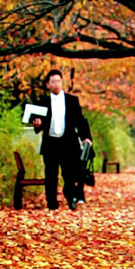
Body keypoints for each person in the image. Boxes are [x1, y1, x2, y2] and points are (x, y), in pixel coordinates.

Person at [31, 69, 92, 211]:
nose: (56, 84)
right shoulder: (42, 102)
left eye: (58, 81)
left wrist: (86, 138)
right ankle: (52, 203)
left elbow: (80, 121)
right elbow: (36, 121)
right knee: (51, 175)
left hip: (68, 143)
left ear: (62, 82)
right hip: (50, 143)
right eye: (53, 82)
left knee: (69, 174)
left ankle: (71, 198)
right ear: (48, 84)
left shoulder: (72, 101)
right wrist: (37, 124)